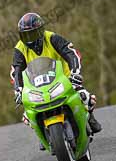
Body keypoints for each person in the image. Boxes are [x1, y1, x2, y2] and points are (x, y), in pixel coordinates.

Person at [11, 12, 102, 150]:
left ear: (41, 30)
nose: (30, 39)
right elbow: (16, 71)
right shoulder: (20, 49)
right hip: (37, 86)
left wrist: (75, 73)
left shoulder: (52, 38)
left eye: (33, 34)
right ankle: (42, 132)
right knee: (27, 115)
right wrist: (18, 90)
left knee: (86, 97)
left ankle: (90, 118)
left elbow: (72, 54)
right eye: (26, 36)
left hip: (64, 79)